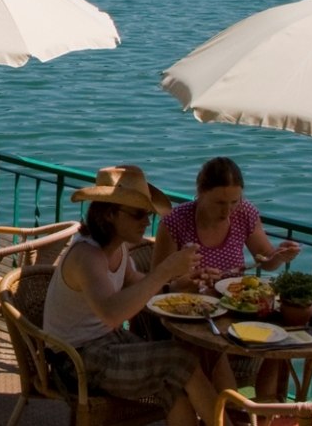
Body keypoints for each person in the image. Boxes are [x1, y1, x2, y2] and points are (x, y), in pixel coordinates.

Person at [45, 165, 229, 426]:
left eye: (148, 214)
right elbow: (112, 313)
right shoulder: (87, 256)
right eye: (139, 214)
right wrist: (164, 271)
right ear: (110, 214)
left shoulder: (118, 250)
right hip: (75, 359)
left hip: (107, 342)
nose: (146, 221)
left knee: (176, 376)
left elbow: (140, 286)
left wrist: (179, 284)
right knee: (179, 359)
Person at [152, 156, 301, 286]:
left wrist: (280, 256)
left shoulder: (244, 212)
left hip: (232, 301)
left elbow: (266, 260)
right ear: (200, 192)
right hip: (185, 305)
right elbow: (157, 281)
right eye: (220, 203)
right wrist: (188, 281)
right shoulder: (174, 221)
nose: (227, 211)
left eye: (234, 201)